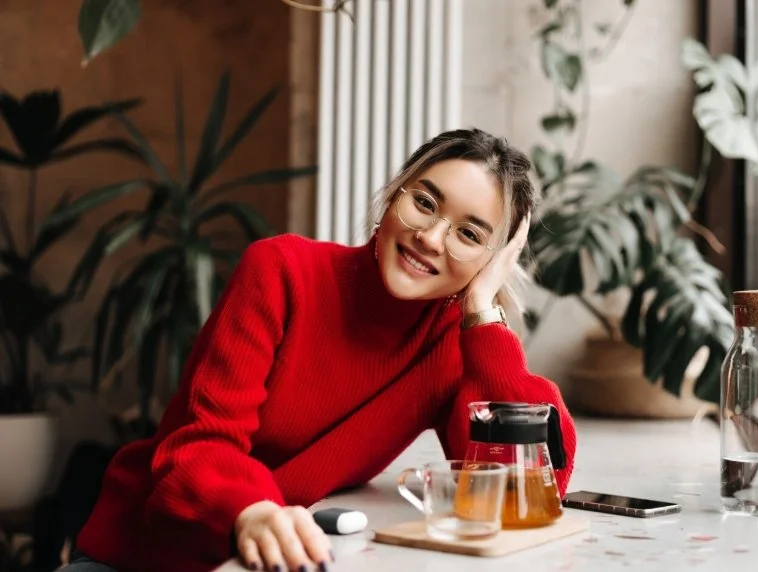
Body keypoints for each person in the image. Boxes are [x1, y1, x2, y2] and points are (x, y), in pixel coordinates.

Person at [67, 128, 578, 572]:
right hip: (145, 555)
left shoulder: (450, 347)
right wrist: (256, 512)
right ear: (393, 196)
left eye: (469, 234)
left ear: (493, 260)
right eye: (424, 202)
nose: (431, 237)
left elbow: (533, 488)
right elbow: (199, 448)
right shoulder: (281, 271)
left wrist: (483, 312)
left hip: (269, 560)